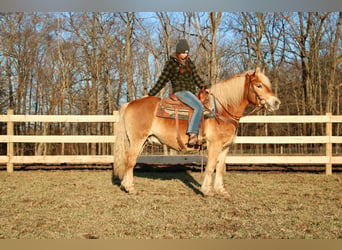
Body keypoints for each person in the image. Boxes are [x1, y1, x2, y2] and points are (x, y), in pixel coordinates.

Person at [148, 39, 208, 146]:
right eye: (184, 52)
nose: (186, 55)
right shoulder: (171, 64)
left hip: (191, 93)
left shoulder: (190, 63)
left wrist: (204, 87)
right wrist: (150, 94)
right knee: (199, 107)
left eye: (187, 52)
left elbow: (196, 77)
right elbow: (162, 80)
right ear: (178, 52)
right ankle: (192, 134)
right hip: (180, 92)